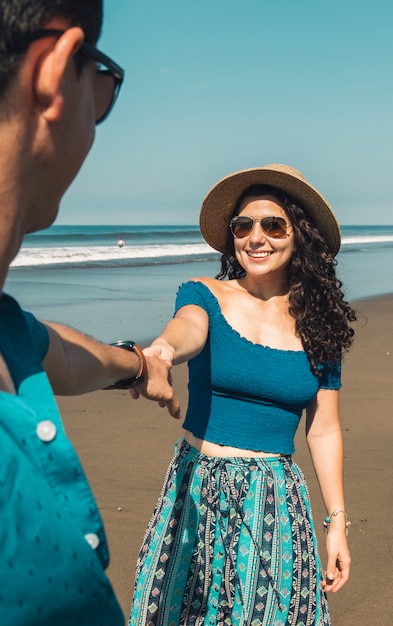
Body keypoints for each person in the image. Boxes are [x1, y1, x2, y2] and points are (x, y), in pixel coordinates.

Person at [0, 2, 180, 625]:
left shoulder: (9, 330)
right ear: (54, 71)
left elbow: (68, 358)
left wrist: (137, 365)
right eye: (100, 83)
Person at [129, 164, 356, 626]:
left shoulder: (319, 326)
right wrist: (162, 351)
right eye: (243, 225)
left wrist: (337, 522)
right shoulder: (204, 295)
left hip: (271, 500)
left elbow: (325, 428)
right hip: (195, 488)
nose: (257, 237)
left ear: (300, 235)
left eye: (273, 225)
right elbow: (186, 330)